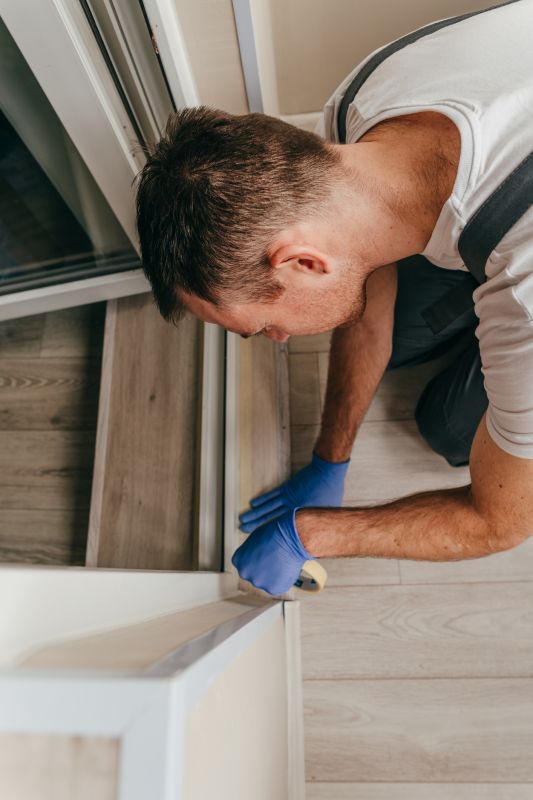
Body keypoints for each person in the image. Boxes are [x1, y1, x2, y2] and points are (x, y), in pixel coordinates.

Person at [135, 0, 533, 595]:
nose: (278, 338)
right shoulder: (361, 104)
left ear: (302, 262)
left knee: (450, 429)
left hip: (516, 249)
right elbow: (363, 292)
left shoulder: (526, 293)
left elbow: (498, 521)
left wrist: (311, 534)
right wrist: (331, 459)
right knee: (388, 339)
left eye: (261, 324)